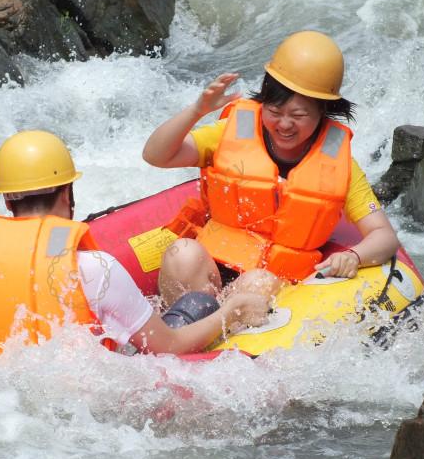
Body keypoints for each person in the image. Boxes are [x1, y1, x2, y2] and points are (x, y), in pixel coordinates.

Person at [0, 130, 271, 357]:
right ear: (68, 193)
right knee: (197, 303)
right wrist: (232, 309)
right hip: (92, 405)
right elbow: (167, 346)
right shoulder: (93, 269)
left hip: (8, 406)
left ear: (8, 202)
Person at [142, 30, 400, 296]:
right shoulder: (231, 132)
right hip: (215, 269)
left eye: (298, 115)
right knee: (181, 253)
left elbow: (384, 236)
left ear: (322, 112)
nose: (284, 124)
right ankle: (186, 328)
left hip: (275, 285)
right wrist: (197, 110)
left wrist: (354, 256)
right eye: (274, 112)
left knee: (255, 283)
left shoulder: (340, 165)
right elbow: (156, 155)